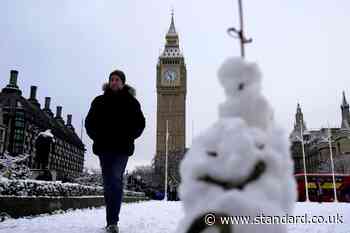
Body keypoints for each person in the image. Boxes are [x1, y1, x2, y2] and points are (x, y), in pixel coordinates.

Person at [85, 69, 145, 233]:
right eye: (112, 79)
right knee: (108, 184)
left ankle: (113, 221)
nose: (114, 82)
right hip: (104, 148)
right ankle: (110, 219)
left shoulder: (132, 102)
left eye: (117, 79)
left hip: (122, 149)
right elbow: (89, 123)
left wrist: (130, 136)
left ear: (123, 83)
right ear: (109, 82)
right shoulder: (99, 101)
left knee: (116, 180)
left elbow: (140, 123)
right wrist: (96, 137)